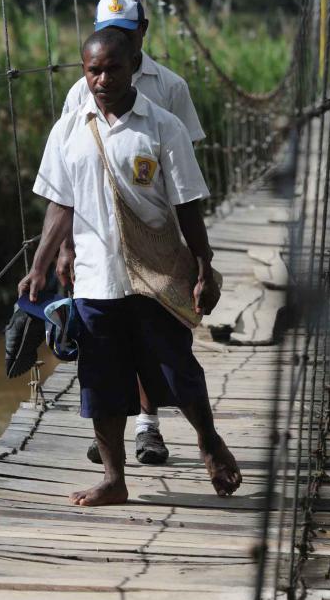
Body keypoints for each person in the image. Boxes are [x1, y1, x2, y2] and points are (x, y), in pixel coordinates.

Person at [18, 27, 241, 506]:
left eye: (112, 68)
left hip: (154, 275)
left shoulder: (162, 127)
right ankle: (114, 479)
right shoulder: (69, 129)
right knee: (101, 380)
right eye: (93, 70)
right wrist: (39, 266)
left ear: (133, 64)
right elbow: (60, 204)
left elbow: (187, 204)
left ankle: (208, 441)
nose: (102, 79)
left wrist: (203, 265)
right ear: (84, 71)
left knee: (176, 366)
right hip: (96, 279)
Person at [58, 0, 205, 467]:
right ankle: (119, 436)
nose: (104, 76)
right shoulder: (82, 91)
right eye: (108, 33)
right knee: (106, 348)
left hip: (155, 235)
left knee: (162, 347)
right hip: (98, 243)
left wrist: (199, 254)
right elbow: (66, 176)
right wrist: (61, 250)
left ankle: (154, 424)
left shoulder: (170, 88)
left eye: (125, 33)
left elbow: (186, 174)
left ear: (142, 32)